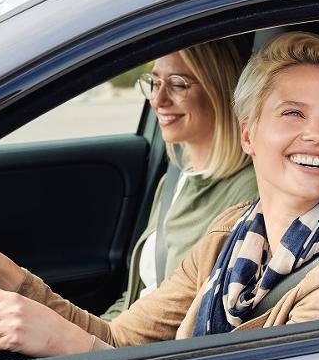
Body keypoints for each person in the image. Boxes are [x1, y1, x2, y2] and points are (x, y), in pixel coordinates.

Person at [0, 32, 319, 355]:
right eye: (293, 113)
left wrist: (65, 343)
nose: (316, 134)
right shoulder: (234, 230)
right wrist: (9, 277)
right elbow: (121, 337)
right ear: (248, 134)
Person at [102, 39, 257, 318]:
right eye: (155, 82)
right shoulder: (173, 180)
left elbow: (198, 315)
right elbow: (139, 296)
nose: (157, 100)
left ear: (219, 89)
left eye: (178, 83)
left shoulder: (248, 192)